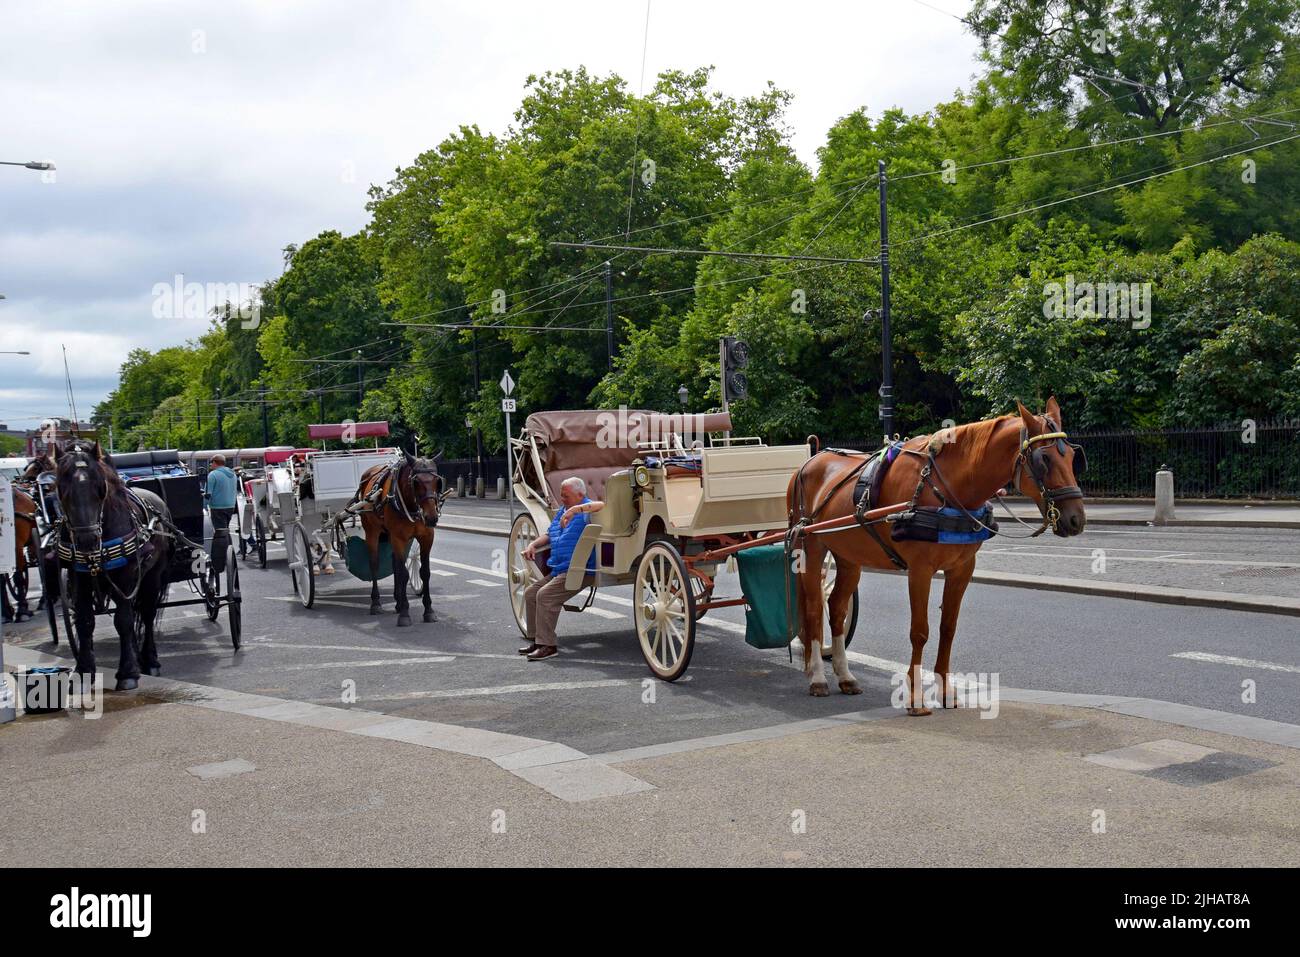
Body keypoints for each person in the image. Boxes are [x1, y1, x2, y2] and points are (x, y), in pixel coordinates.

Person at [518, 476, 604, 661]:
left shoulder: (588, 509)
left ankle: (548, 646)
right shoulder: (562, 511)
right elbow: (549, 534)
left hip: (579, 570)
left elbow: (603, 505)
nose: (562, 499)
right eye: (562, 495)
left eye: (566, 496)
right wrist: (533, 544)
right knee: (531, 594)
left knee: (545, 596)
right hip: (559, 569)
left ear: (580, 494)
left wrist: (575, 509)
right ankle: (537, 640)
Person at [204, 454, 238, 541]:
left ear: (215, 462)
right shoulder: (233, 474)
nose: (210, 465)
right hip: (230, 506)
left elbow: (208, 494)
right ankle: (229, 551)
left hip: (217, 507)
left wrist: (204, 508)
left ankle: (227, 551)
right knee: (225, 529)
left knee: (221, 532)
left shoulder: (213, 475)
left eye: (211, 463)